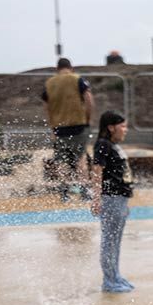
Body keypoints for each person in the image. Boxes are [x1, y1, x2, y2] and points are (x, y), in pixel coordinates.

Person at [90, 111, 135, 293]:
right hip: (111, 198)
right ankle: (109, 281)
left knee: (115, 241)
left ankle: (115, 275)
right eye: (122, 126)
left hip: (121, 199)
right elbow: (97, 170)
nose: (125, 130)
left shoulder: (113, 145)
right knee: (109, 241)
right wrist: (96, 198)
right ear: (110, 127)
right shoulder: (102, 144)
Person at [41, 57, 94, 201]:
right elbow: (88, 99)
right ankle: (84, 191)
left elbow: (46, 107)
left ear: (57, 69)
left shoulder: (50, 83)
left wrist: (52, 125)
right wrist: (88, 118)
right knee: (80, 158)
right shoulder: (77, 79)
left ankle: (64, 192)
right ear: (71, 67)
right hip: (78, 124)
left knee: (61, 159)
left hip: (59, 127)